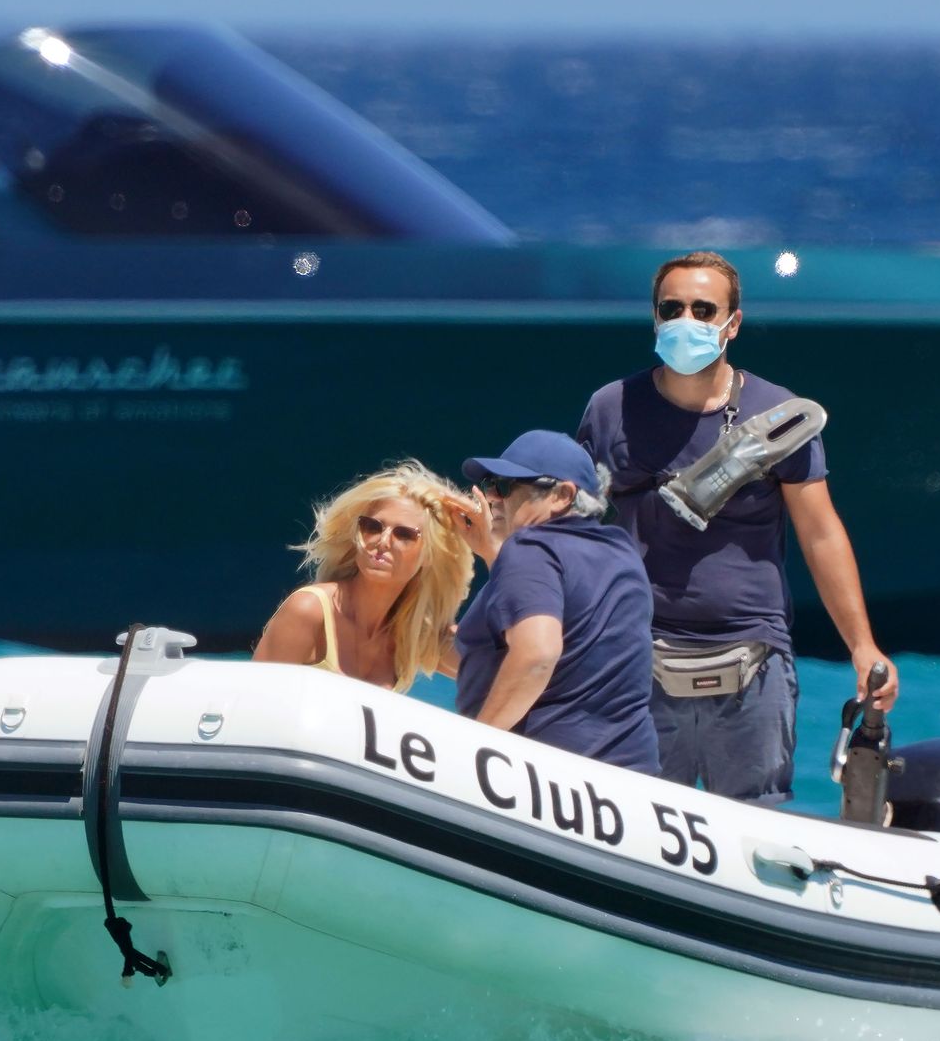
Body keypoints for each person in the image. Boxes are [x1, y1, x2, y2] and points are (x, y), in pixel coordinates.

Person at [576, 250, 896, 805]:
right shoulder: (611, 408)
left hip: (754, 658)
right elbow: (575, 526)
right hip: (637, 655)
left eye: (704, 310)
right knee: (633, 816)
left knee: (757, 823)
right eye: (672, 308)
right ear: (655, 317)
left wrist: (862, 646)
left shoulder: (780, 414)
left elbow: (820, 533)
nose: (687, 321)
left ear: (733, 323)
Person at [444, 429, 659, 773]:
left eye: (505, 486)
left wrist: (475, 748)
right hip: (632, 776)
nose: (491, 497)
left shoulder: (530, 548)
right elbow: (576, 642)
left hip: (547, 776)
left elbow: (537, 656)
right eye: (489, 484)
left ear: (562, 496)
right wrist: (492, 553)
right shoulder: (622, 552)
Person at [253, 460, 473, 692]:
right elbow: (252, 701)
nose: (382, 541)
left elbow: (495, 676)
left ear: (430, 554)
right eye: (373, 527)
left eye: (404, 534)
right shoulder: (309, 610)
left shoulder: (416, 633)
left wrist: (490, 551)